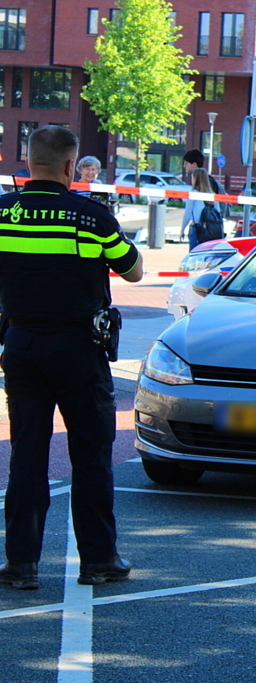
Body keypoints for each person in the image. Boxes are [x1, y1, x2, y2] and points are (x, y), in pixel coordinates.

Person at [0, 126, 143, 590]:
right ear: (70, 167)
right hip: (79, 351)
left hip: (20, 346)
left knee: (26, 456)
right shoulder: (90, 217)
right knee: (91, 457)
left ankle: (21, 565)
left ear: (28, 160)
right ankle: (100, 561)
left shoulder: (3, 213)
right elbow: (134, 270)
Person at [182, 168, 218, 249]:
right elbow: (218, 213)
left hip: (197, 229)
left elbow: (187, 214)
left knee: (194, 255)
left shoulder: (193, 194)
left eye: (192, 177)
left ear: (195, 179)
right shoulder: (213, 195)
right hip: (211, 230)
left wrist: (182, 229)